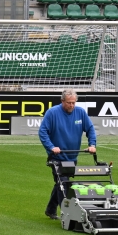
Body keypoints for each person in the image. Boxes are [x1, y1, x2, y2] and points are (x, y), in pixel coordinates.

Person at [38, 89, 97, 220]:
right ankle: (67, 214)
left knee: (61, 182)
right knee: (63, 183)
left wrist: (92, 145)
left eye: (73, 103)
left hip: (72, 156)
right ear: (62, 101)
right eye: (69, 103)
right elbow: (42, 132)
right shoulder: (52, 113)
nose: (71, 105)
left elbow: (90, 129)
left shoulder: (80, 112)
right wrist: (51, 147)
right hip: (57, 157)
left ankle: (50, 210)